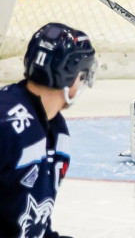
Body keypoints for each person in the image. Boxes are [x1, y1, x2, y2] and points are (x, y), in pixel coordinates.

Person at [0, 23, 97, 238]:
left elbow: (34, 224)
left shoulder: (56, 130)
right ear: (71, 77)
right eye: (82, 76)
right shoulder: (6, 125)